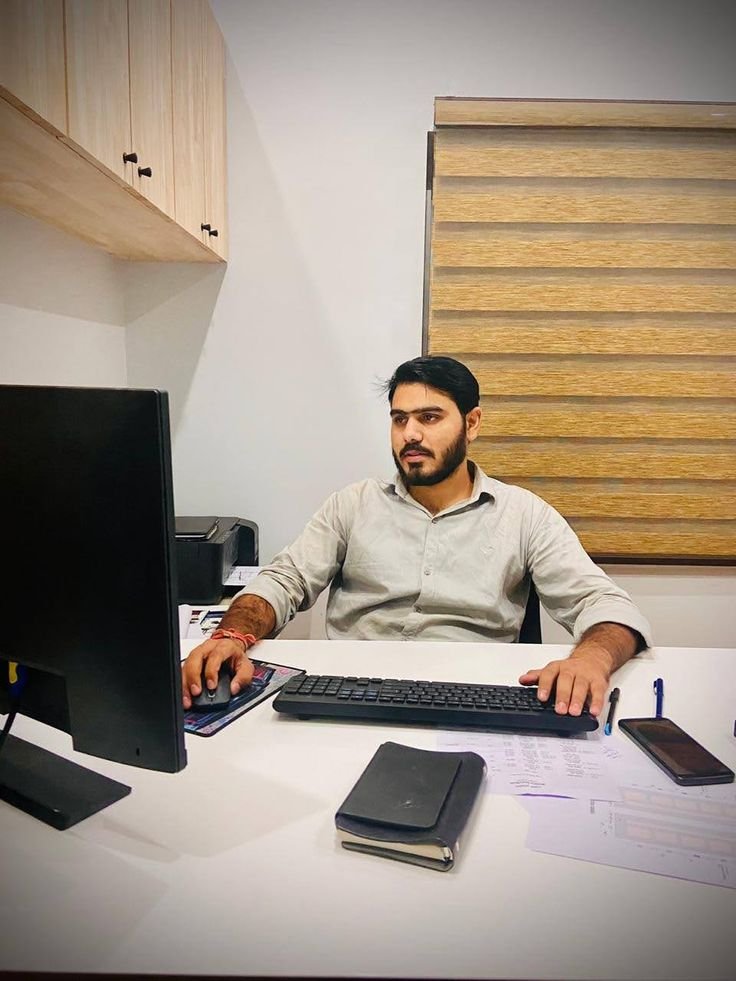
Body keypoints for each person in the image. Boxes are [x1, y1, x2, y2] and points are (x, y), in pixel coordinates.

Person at [182, 356, 650, 717]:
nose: (410, 434)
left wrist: (591, 659)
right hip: (350, 695)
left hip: (471, 700)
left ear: (471, 423)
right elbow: (284, 580)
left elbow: (605, 604)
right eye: (399, 418)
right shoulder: (353, 504)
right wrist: (232, 635)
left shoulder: (523, 515)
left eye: (429, 418)